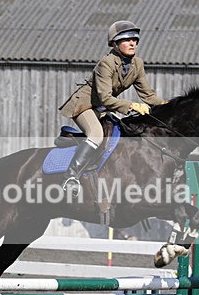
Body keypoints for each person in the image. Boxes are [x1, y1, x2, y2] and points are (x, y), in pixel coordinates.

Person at [57, 20, 166, 195]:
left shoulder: (137, 64)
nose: (132, 43)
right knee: (96, 134)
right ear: (115, 44)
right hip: (84, 105)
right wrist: (132, 105)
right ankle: (71, 177)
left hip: (102, 108)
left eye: (135, 40)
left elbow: (148, 96)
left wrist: (168, 106)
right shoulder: (106, 64)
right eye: (127, 40)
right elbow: (106, 98)